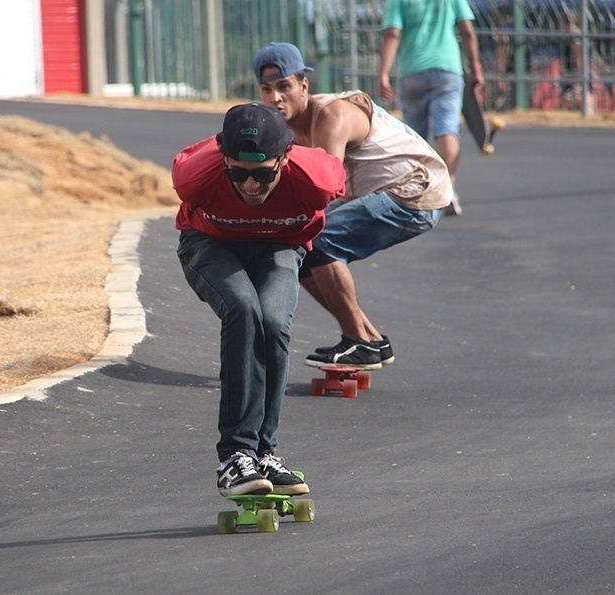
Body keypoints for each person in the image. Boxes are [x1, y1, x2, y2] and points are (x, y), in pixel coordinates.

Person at [172, 102, 345, 497]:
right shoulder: (194, 174)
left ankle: (264, 453)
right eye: (238, 173)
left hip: (280, 248)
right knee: (242, 309)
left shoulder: (317, 179)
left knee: (272, 321)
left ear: (285, 157)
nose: (251, 186)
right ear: (223, 159)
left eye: (264, 174)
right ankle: (234, 457)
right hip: (210, 244)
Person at [252, 42, 453, 370]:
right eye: (266, 89)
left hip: (417, 190)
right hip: (387, 191)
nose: (275, 98)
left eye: (284, 87)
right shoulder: (287, 128)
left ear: (304, 86)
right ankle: (371, 340)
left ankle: (357, 340)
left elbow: (324, 188)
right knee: (295, 248)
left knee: (316, 239)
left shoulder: (331, 116)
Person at [378, 0, 484, 216]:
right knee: (446, 129)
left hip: (412, 70)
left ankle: (418, 191)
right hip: (447, 69)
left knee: (415, 137)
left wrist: (383, 73)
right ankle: (448, 189)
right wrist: (476, 68)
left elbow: (392, 34)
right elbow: (467, 31)